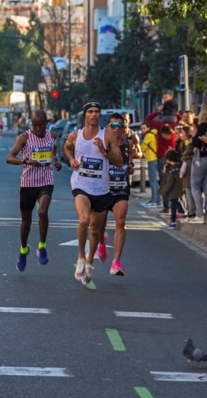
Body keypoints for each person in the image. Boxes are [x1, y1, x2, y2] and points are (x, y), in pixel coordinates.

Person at [63, 100, 123, 285]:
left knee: (96, 231)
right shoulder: (76, 135)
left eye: (97, 111)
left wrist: (104, 152)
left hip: (101, 188)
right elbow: (66, 147)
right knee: (84, 221)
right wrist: (71, 159)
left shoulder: (109, 136)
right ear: (85, 115)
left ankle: (89, 262)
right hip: (81, 183)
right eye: (90, 112)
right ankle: (81, 256)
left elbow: (119, 162)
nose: (94, 114)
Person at [6, 109, 62, 271]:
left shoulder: (52, 136)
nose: (38, 129)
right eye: (35, 125)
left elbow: (53, 151)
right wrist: (26, 161)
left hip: (46, 180)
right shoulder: (24, 138)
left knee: (43, 212)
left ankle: (42, 246)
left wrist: (56, 161)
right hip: (28, 183)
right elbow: (9, 158)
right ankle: (23, 250)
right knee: (26, 222)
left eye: (41, 125)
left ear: (47, 123)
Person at [97, 113, 134, 276]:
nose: (117, 129)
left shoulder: (128, 143)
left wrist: (131, 166)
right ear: (107, 127)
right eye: (114, 126)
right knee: (98, 227)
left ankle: (116, 262)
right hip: (103, 190)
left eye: (120, 125)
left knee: (120, 222)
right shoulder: (101, 143)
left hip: (121, 189)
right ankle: (101, 242)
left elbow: (129, 160)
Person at [145, 109, 180, 213]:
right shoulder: (174, 126)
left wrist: (157, 111)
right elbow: (181, 119)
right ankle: (172, 206)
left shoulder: (160, 125)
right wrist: (176, 113)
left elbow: (147, 119)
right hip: (173, 157)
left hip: (163, 157)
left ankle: (167, 207)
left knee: (165, 182)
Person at [189, 105, 207, 224]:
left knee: (195, 186)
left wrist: (193, 135)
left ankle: (199, 214)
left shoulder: (203, 126)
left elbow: (196, 142)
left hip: (201, 158)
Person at [159, 149, 183, 230]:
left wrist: (165, 191)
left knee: (173, 206)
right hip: (178, 189)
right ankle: (182, 213)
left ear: (169, 160)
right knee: (177, 201)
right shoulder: (179, 167)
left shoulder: (171, 171)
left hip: (173, 190)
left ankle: (172, 222)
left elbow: (169, 182)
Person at [140, 121, 160, 207]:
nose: (142, 130)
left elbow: (142, 147)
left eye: (144, 128)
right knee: (155, 181)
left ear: (148, 128)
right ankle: (158, 200)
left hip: (152, 159)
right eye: (141, 128)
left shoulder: (148, 136)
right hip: (156, 158)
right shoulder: (154, 134)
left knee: (152, 181)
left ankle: (154, 200)